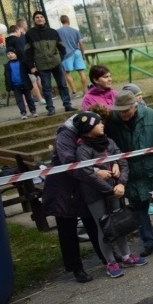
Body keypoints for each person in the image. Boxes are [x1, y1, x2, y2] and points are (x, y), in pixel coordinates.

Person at [73, 111, 148, 278]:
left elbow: (123, 161)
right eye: (98, 123)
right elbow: (88, 174)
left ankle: (127, 256)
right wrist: (110, 189)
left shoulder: (108, 142)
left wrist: (121, 181)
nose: (102, 125)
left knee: (118, 223)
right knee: (104, 226)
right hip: (96, 195)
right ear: (88, 127)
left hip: (115, 190)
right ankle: (111, 262)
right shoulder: (83, 149)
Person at [105, 88, 153, 257]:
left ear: (135, 106)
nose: (123, 115)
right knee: (139, 208)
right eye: (120, 111)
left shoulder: (150, 115)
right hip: (131, 174)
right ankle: (148, 241)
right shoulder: (112, 122)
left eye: (126, 110)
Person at [42, 115, 109, 283]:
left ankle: (106, 257)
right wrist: (94, 171)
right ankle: (76, 268)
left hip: (83, 186)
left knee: (92, 223)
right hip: (63, 188)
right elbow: (69, 162)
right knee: (67, 230)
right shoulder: (66, 135)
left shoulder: (87, 132)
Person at [24, 11, 76, 116]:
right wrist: (32, 66)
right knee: (46, 87)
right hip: (41, 64)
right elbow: (28, 51)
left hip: (56, 63)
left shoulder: (53, 32)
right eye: (37, 17)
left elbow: (61, 46)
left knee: (62, 84)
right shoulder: (30, 34)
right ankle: (50, 108)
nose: (39, 19)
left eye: (41, 17)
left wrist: (59, 58)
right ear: (34, 20)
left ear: (44, 19)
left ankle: (67, 105)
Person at [57, 15, 88, 97]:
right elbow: (80, 43)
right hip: (77, 52)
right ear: (68, 21)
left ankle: (74, 92)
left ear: (61, 21)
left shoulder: (58, 31)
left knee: (67, 73)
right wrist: (83, 54)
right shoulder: (75, 30)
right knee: (81, 72)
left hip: (66, 54)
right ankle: (85, 91)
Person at [4, 49, 37, 120]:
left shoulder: (22, 63)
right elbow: (7, 76)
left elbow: (29, 70)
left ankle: (33, 111)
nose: (10, 55)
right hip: (15, 85)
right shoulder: (7, 65)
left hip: (25, 84)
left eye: (12, 53)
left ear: (16, 54)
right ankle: (23, 112)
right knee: (19, 100)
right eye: (8, 54)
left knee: (29, 98)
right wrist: (8, 86)